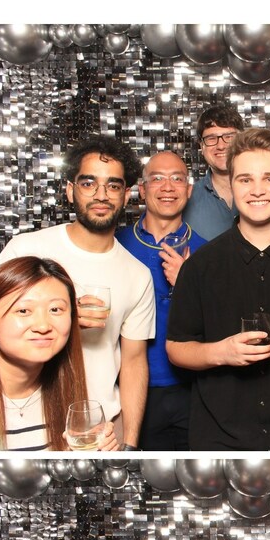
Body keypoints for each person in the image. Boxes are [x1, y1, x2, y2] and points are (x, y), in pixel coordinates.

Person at [167, 129, 270, 449]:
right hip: (218, 440)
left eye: (269, 178)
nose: (257, 190)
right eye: (245, 179)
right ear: (231, 185)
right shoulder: (200, 265)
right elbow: (176, 348)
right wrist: (222, 352)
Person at [0, 136, 155, 446]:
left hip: (101, 429)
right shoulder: (26, 249)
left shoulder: (137, 274)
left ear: (126, 195)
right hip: (25, 424)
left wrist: (130, 442)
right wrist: (59, 316)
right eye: (88, 183)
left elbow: (134, 362)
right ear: (70, 190)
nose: (101, 195)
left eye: (113, 185)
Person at [0, 258, 105, 452]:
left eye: (55, 309)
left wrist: (97, 454)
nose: (42, 326)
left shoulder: (71, 395)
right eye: (23, 311)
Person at [116, 148, 205, 448]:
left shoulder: (210, 252)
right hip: (129, 387)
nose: (168, 187)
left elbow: (222, 325)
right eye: (157, 179)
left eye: (177, 179)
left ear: (188, 190)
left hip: (192, 389)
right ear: (142, 190)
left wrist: (189, 283)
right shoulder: (115, 244)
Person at [184, 104, 243, 241]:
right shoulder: (186, 199)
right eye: (211, 138)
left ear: (243, 140)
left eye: (229, 137)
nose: (221, 146)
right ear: (201, 146)